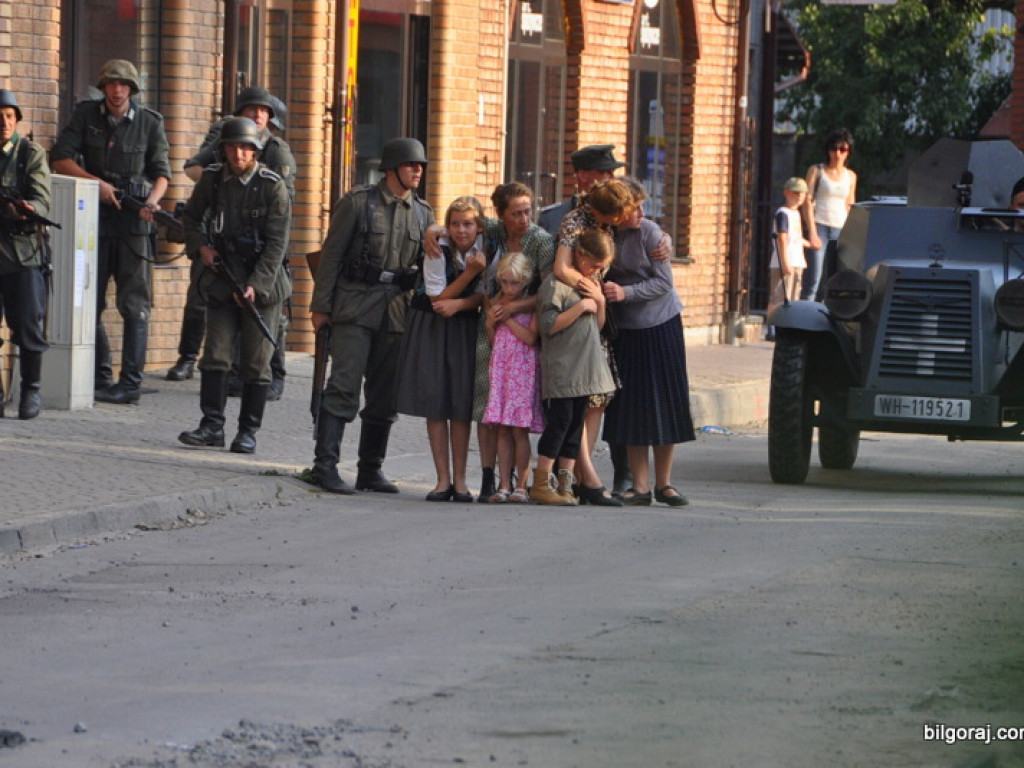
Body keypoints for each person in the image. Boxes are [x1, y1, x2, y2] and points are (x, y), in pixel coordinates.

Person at [308, 137, 434, 495]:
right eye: (412, 165)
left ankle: (370, 470)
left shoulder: (423, 213)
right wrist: (320, 307)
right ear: (393, 168)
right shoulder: (358, 203)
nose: (418, 170)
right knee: (344, 386)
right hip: (354, 307)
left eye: (421, 165)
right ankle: (325, 465)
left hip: (396, 312)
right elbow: (331, 256)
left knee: (384, 395)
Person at [51, 59, 172, 405]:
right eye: (112, 84)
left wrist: (151, 202)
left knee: (134, 304)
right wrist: (98, 185)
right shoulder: (86, 115)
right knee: (89, 297)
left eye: (124, 85)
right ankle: (100, 373)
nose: (117, 91)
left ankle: (130, 382)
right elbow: (60, 158)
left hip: (134, 223)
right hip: (94, 219)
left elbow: (162, 172)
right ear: (103, 87)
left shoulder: (149, 123)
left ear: (132, 90)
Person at [425, 182, 554, 503]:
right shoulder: (492, 230)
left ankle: (518, 481)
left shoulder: (539, 241)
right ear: (501, 215)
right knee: (487, 403)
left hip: (524, 323)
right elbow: (458, 223)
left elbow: (551, 291)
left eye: (528, 211)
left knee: (518, 415)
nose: (524, 218)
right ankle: (489, 478)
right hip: (491, 328)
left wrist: (513, 308)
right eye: (516, 213)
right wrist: (433, 229)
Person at [170, 87, 297, 401]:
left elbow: (280, 227)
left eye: (263, 111)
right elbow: (192, 172)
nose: (256, 115)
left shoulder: (275, 156)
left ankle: (266, 390)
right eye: (251, 109)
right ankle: (210, 421)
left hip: (260, 253)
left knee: (266, 333)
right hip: (223, 254)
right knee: (215, 347)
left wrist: (257, 281)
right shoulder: (220, 153)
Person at [602, 178, 695, 506]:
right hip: (626, 331)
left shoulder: (651, 234)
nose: (641, 213)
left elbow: (664, 283)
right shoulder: (605, 234)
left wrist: (625, 292)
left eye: (643, 205)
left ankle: (664, 483)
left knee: (664, 401)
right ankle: (640, 486)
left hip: (660, 324)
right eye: (633, 207)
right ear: (616, 213)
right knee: (633, 406)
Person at [551, 178, 637, 505]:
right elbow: (561, 268)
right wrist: (591, 289)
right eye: (620, 215)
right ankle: (585, 477)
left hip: (596, 317)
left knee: (597, 399)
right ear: (607, 213)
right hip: (577, 311)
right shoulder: (577, 220)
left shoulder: (608, 224)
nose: (625, 219)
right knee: (581, 399)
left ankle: (576, 474)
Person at [396, 196, 486, 502]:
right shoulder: (437, 249)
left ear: (479, 226)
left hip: (463, 325)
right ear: (448, 227)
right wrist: (470, 274)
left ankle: (461, 481)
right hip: (431, 324)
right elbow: (438, 301)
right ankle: (442, 479)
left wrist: (462, 302)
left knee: (460, 403)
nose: (462, 230)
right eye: (456, 224)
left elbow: (481, 297)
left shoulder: (487, 246)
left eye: (468, 224)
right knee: (436, 400)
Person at [531, 229, 617, 506]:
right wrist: (581, 307)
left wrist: (600, 302)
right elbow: (547, 326)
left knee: (575, 426)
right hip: (562, 368)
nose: (595, 271)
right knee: (559, 424)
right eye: (593, 265)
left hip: (584, 370)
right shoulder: (555, 285)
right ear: (579, 255)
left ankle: (566, 482)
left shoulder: (590, 285)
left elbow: (598, 327)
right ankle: (542, 481)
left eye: (602, 268)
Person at [0, 89, 52, 420]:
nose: (3, 123)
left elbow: (42, 197)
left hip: (23, 254)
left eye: (9, 116)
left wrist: (29, 208)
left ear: (17, 120)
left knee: (29, 327)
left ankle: (31, 391)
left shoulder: (29, 152)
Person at [481, 251, 544, 504]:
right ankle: (504, 484)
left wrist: (507, 319)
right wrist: (490, 325)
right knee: (502, 430)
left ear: (526, 282)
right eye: (504, 281)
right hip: (502, 371)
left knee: (519, 430)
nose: (508, 287)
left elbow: (530, 338)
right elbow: (496, 342)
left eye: (514, 282)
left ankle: (521, 484)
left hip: (524, 372)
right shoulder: (497, 303)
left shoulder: (531, 306)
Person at [801, 129, 857, 301]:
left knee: (836, 278)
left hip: (841, 228)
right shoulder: (817, 171)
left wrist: (853, 232)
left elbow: (850, 204)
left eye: (843, 150)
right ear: (828, 150)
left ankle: (830, 318)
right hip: (820, 226)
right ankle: (805, 321)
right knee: (813, 279)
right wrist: (812, 232)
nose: (838, 154)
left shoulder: (850, 176)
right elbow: (807, 201)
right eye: (834, 149)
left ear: (848, 152)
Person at [537, 144, 625, 236]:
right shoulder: (551, 218)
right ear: (583, 175)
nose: (612, 177)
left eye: (612, 172)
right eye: (604, 172)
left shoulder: (622, 216)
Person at [767, 177, 811, 327]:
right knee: (779, 296)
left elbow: (795, 237)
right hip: (785, 261)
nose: (799, 197)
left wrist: (809, 243)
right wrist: (785, 262)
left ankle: (788, 325)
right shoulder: (783, 213)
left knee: (793, 298)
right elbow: (782, 238)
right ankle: (772, 326)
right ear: (786, 193)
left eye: (802, 194)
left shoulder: (796, 214)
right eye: (795, 193)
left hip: (798, 261)